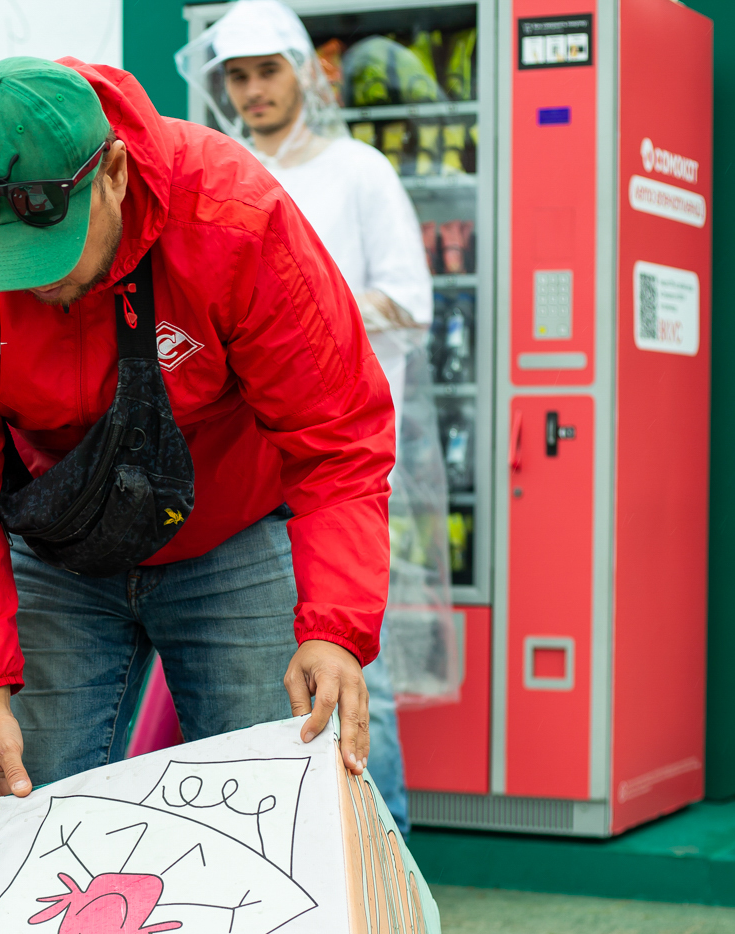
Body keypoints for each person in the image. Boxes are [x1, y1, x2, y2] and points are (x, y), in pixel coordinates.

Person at [0, 55, 394, 835]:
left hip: (229, 531)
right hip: (57, 545)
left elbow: (338, 437)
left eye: (48, 252)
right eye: (3, 264)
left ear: (113, 174)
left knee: (273, 814)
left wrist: (335, 630)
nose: (30, 284)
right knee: (36, 811)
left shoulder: (232, 216)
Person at [178, 0, 456, 833]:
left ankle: (380, 848)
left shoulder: (359, 172)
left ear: (305, 71)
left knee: (355, 653)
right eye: (237, 77)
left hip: (339, 458)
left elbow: (410, 302)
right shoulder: (224, 172)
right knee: (271, 667)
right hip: (240, 471)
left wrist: (298, 312)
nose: (252, 90)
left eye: (267, 71)